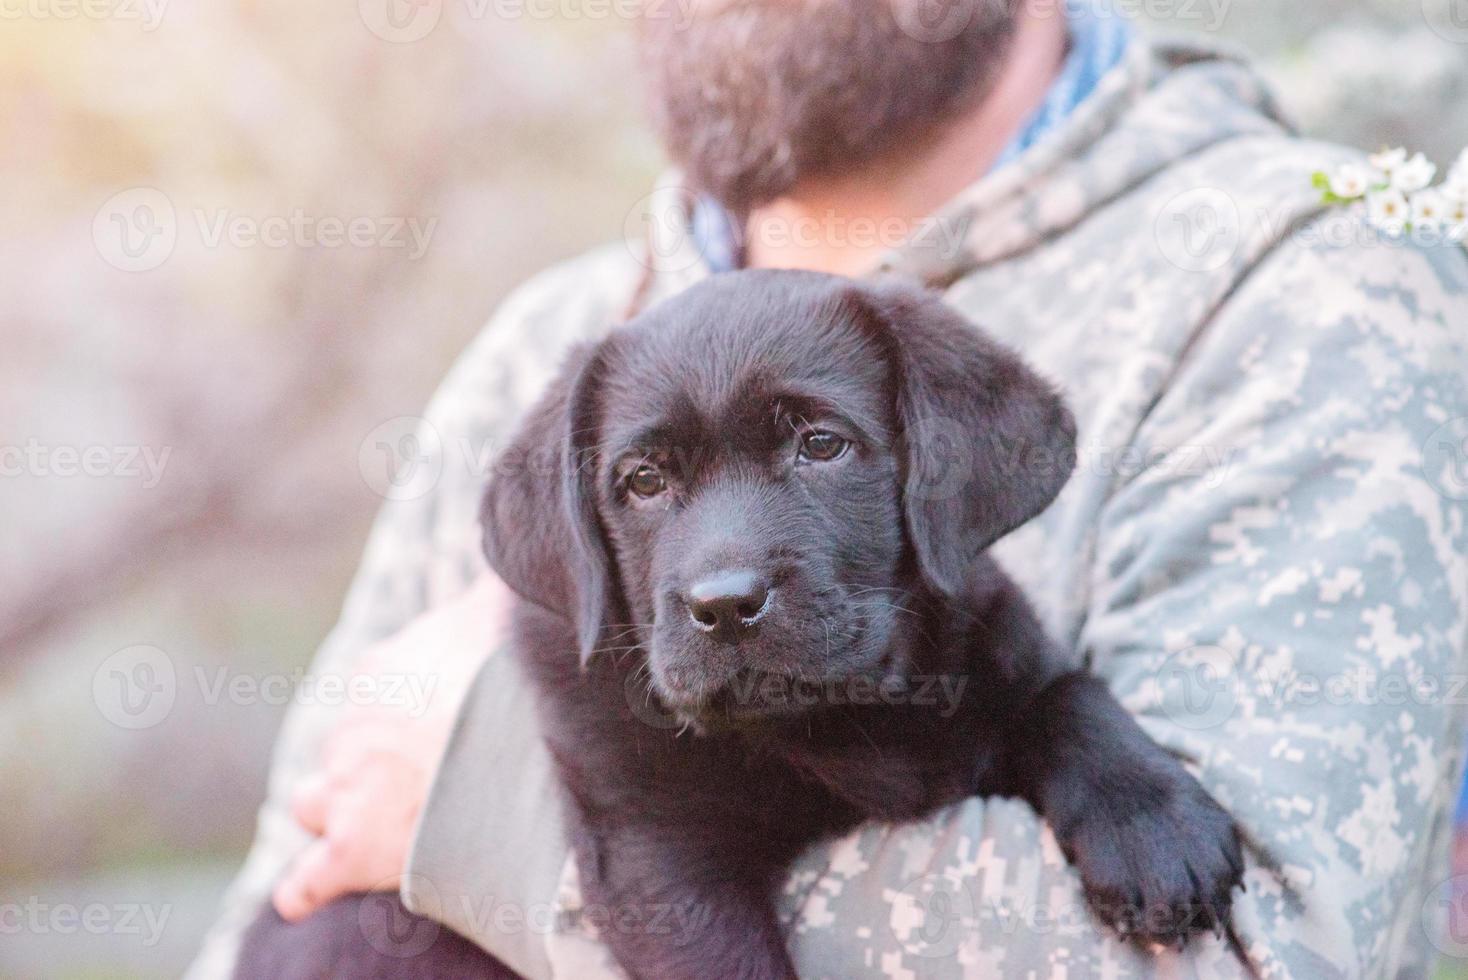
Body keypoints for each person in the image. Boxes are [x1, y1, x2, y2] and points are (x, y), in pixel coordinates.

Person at [189, 0, 1468, 976]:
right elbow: (303, 868)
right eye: (649, 483)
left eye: (814, 446)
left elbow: (1246, 948)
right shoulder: (550, 346)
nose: (720, 561)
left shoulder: (1308, 293)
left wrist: (497, 827)